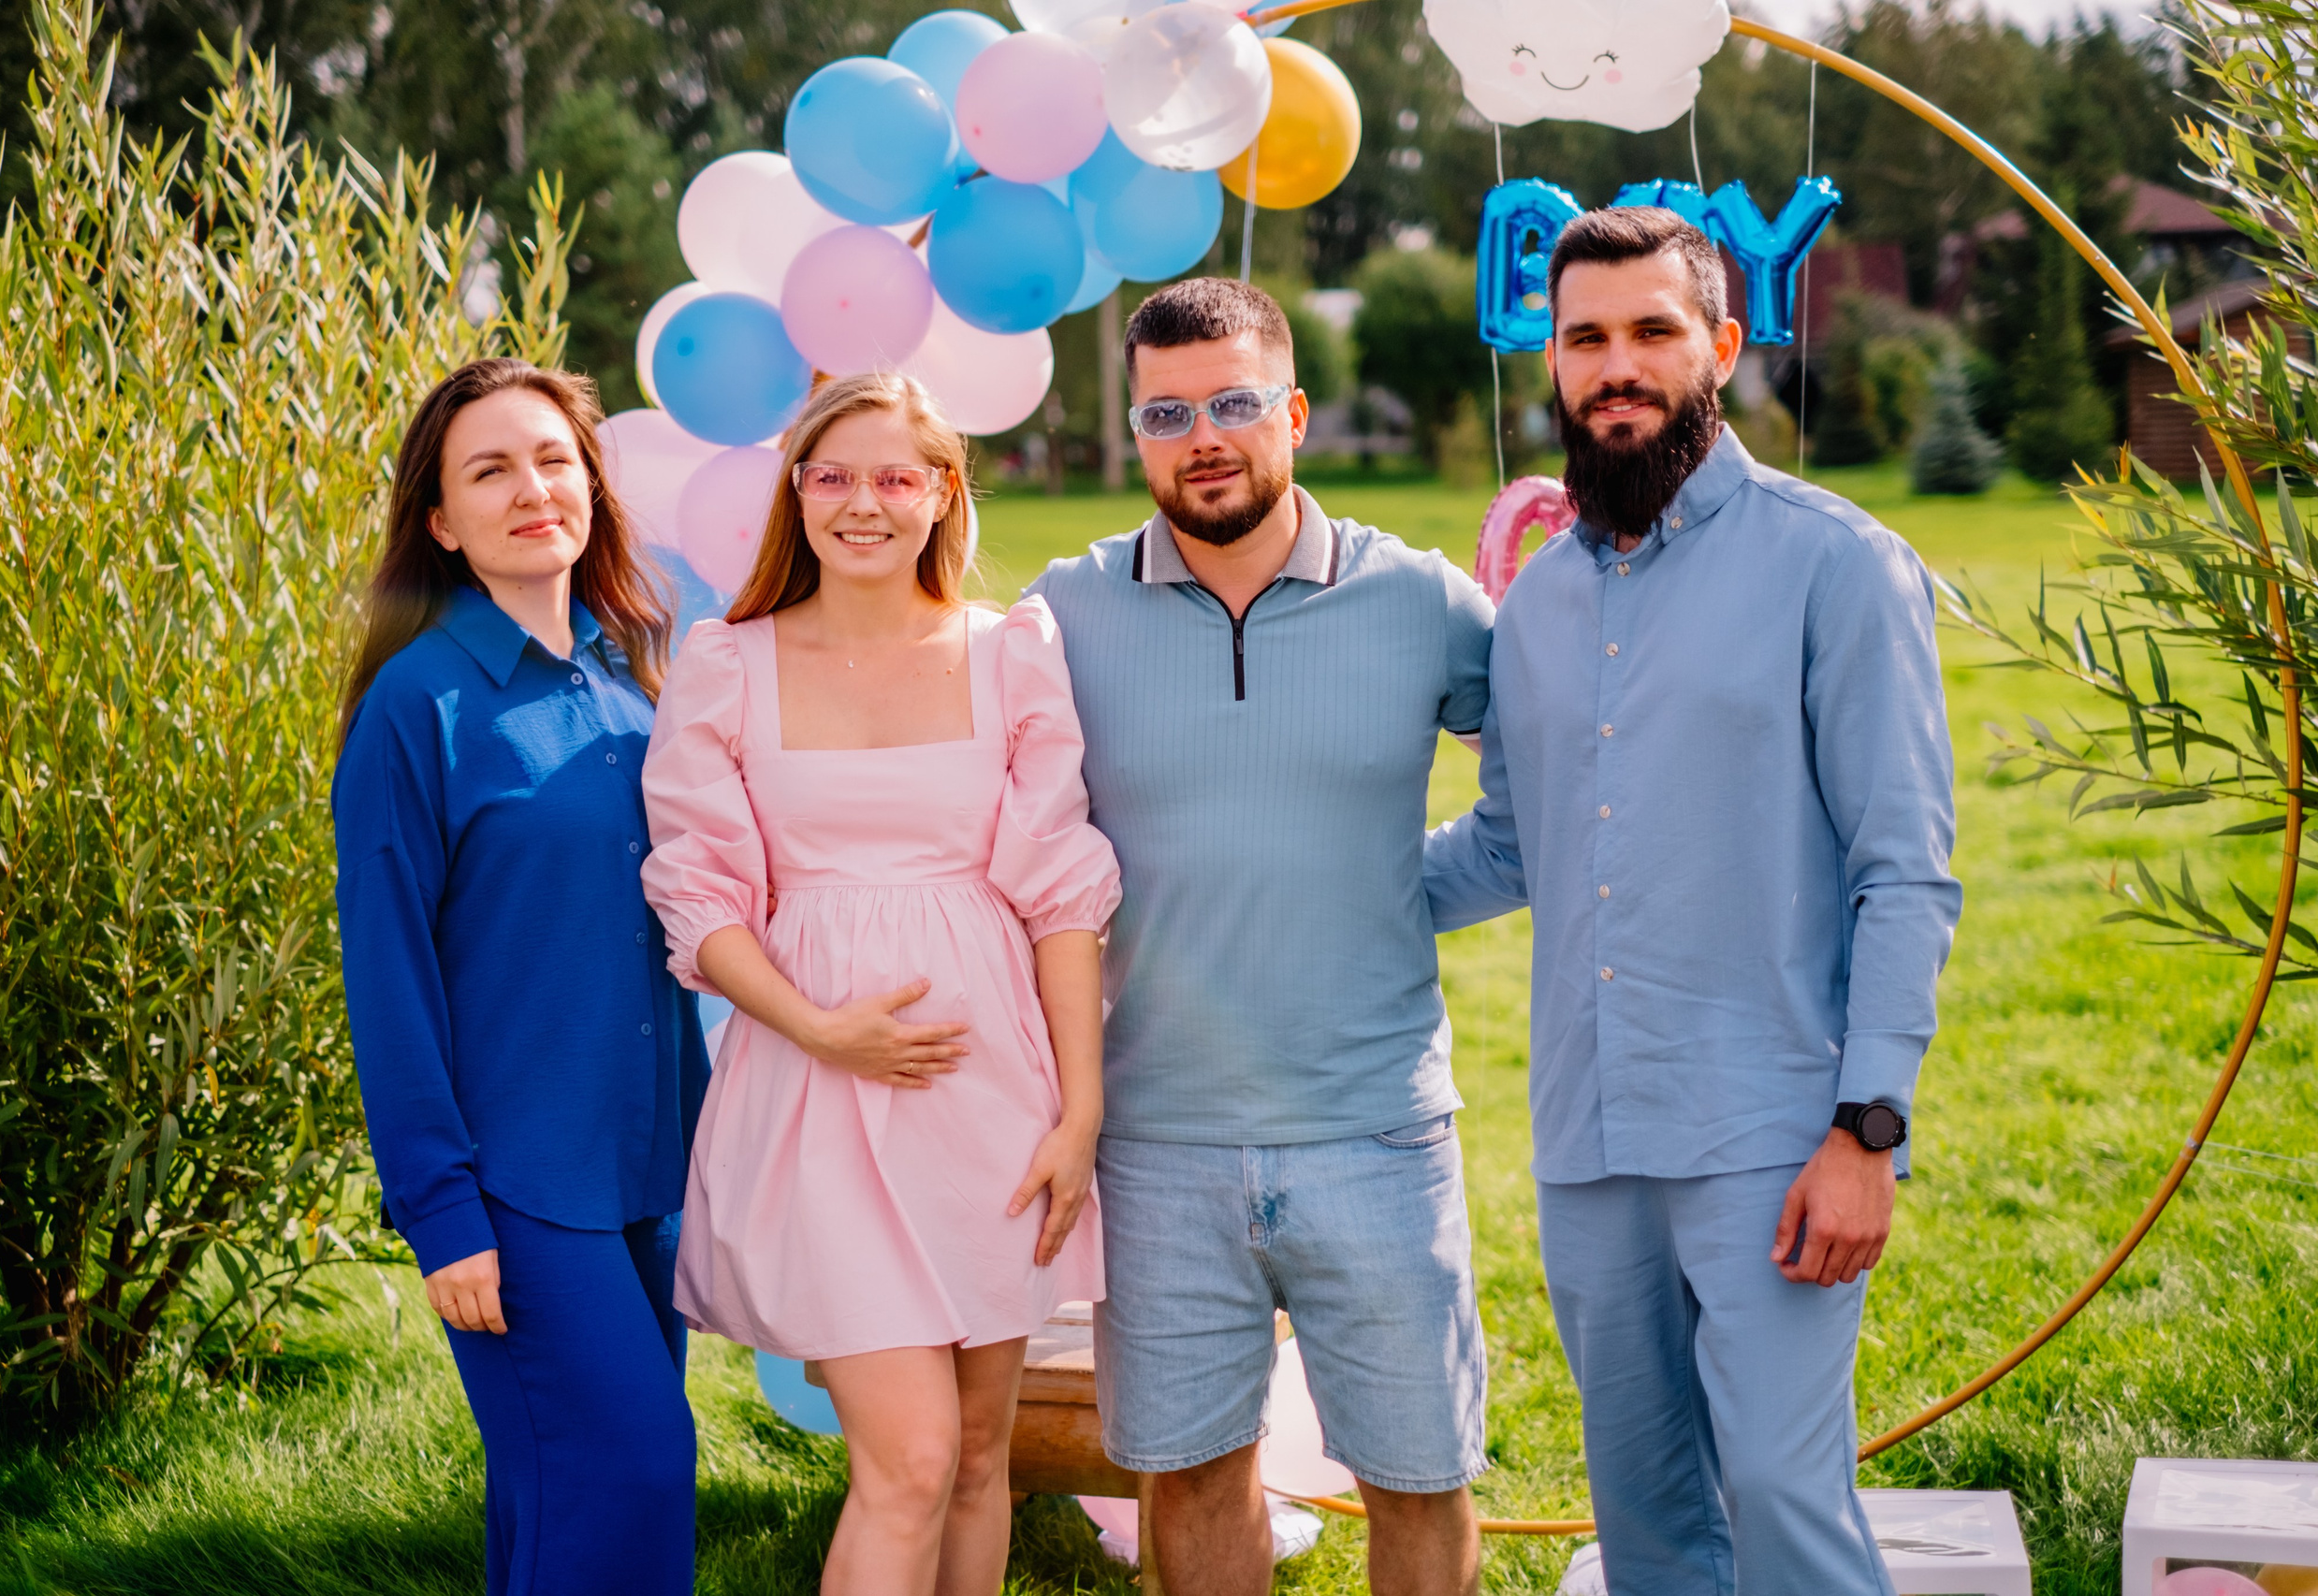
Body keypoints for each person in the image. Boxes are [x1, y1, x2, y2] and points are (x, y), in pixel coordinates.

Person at [1423, 206, 1961, 1596]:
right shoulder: (1535, 609)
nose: (1618, 365)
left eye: (1653, 331)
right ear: (1550, 362)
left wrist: (1869, 1129)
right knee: (1649, 1515)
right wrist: (1305, 889)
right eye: (1585, 337)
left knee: (1785, 1499)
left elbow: (1904, 868)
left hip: (1774, 1136)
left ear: (1722, 344)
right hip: (1589, 1137)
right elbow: (1510, 847)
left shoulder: (1835, 564)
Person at [1027, 279, 1495, 1596]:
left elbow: (1552, 786)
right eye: (1169, 412)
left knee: (1418, 1473)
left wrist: (1397, 891)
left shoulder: (1421, 602)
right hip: (1159, 1132)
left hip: (1378, 1127)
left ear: (1293, 411)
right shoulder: (1066, 612)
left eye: (1235, 402)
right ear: (1136, 434)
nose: (1205, 436)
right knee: (1190, 1467)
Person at [638, 371, 1119, 1596]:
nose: (864, 503)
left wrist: (1078, 1111)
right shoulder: (728, 663)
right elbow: (699, 898)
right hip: (819, 1095)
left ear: (944, 492)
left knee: (976, 1459)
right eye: (834, 476)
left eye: (898, 475)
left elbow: (1060, 893)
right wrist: (821, 1027)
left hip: (992, 1100)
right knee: (906, 1459)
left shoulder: (1009, 651)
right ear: (796, 493)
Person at [333, 358, 708, 1596]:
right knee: (635, 1476)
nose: (532, 488)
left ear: (591, 485)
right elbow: (387, 978)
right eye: (489, 469)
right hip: (517, 1188)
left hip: (649, 1168)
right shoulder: (416, 708)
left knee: (566, 1505)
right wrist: (441, 1212)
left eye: (553, 458)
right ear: (441, 521)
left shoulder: (636, 679)